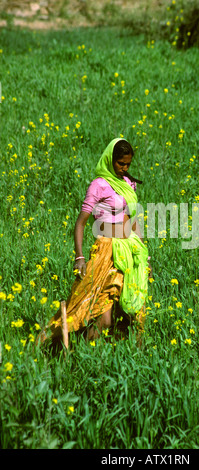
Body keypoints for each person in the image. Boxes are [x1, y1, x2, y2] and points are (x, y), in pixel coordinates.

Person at [39, 138, 151, 346]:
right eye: (120, 163)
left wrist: (146, 257)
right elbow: (81, 223)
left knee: (129, 311)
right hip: (106, 252)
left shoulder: (128, 184)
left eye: (128, 164)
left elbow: (133, 221)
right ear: (110, 160)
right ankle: (57, 345)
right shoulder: (99, 185)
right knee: (100, 314)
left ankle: (117, 360)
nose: (124, 168)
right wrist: (79, 257)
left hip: (130, 251)